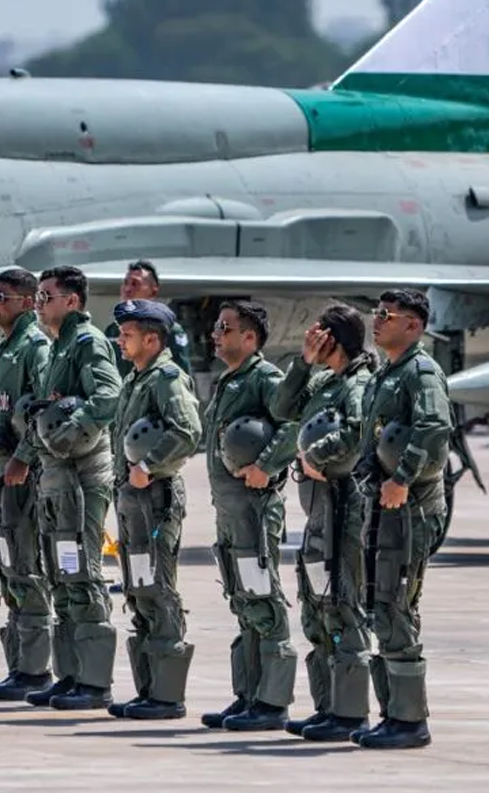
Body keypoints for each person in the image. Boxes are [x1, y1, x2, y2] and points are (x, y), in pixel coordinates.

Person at [347, 289, 450, 750]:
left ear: (414, 325)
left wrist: (403, 478)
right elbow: (373, 439)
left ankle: (409, 721)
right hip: (384, 507)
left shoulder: (421, 372)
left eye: (387, 315)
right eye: (377, 313)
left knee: (397, 608)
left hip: (411, 510)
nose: (377, 321)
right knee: (380, 605)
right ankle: (391, 715)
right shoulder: (385, 375)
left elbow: (434, 427)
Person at [15, 265, 121, 710]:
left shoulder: (87, 343)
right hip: (55, 479)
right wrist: (27, 454)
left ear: (72, 301)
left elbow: (108, 396)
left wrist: (71, 429)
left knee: (83, 574)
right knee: (61, 575)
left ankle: (95, 683)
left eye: (46, 297)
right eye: (38, 297)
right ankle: (71, 676)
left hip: (81, 479)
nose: (38, 305)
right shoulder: (58, 347)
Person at [270, 304, 376, 742]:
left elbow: (358, 432)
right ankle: (328, 707)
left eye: (318, 334)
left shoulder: (358, 384)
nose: (310, 338)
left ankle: (349, 714)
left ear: (334, 338)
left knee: (343, 607)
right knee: (318, 608)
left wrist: (315, 456)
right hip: (318, 512)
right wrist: (304, 362)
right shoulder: (324, 380)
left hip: (342, 508)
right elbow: (282, 407)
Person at [200, 300, 300, 731]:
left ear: (249, 337)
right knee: (243, 601)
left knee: (262, 599)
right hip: (231, 509)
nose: (216, 334)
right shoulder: (230, 380)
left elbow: (293, 425)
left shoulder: (265, 378)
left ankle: (272, 703)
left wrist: (266, 465)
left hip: (255, 510)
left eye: (225, 328)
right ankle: (248, 695)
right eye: (216, 327)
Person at [107, 299, 202, 720]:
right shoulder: (136, 379)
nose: (120, 340)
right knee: (139, 588)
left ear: (151, 339)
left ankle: (167, 696)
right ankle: (148, 691)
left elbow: (188, 431)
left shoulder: (166, 378)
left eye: (127, 334)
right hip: (132, 500)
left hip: (155, 498)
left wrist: (148, 466)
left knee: (158, 590)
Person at [0, 268, 54, 701]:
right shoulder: (6, 348)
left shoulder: (34, 349)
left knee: (26, 564)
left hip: (21, 470)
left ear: (27, 302)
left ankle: (35, 670)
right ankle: (20, 667)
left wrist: (23, 458)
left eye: (1, 297)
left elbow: (41, 411)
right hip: (1, 465)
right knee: (8, 565)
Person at [104, 260, 192, 376]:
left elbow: (182, 373)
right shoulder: (113, 330)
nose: (127, 289)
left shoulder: (169, 330)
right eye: (125, 283)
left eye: (135, 284)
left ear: (153, 291)